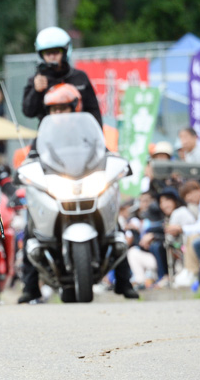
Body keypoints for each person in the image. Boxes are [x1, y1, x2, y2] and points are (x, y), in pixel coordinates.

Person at [18, 80, 139, 302]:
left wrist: (117, 163)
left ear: (75, 107)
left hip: (88, 188)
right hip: (59, 191)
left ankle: (124, 282)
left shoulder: (90, 135)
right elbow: (33, 157)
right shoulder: (44, 136)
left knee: (116, 227)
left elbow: (104, 152)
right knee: (30, 228)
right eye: (55, 109)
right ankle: (30, 286)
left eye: (63, 108)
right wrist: (27, 170)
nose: (59, 113)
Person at [22, 26, 101, 128]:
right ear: (42, 55)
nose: (52, 56)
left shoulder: (80, 77)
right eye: (47, 53)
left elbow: (93, 111)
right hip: (48, 137)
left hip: (78, 135)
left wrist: (97, 137)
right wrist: (36, 91)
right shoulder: (37, 80)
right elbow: (28, 112)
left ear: (65, 51)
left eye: (56, 51)